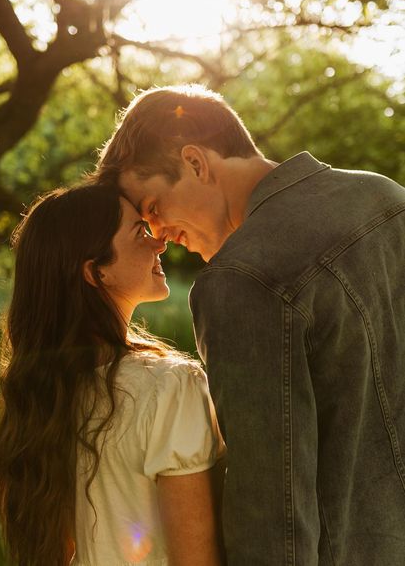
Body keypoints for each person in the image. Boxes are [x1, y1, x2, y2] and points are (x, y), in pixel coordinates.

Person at [95, 84, 405, 565]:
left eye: (153, 208)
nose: (159, 236)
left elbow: (273, 511)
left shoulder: (240, 282)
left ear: (196, 162)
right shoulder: (387, 198)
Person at [0, 182, 226, 566]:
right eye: (139, 232)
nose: (159, 243)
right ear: (96, 272)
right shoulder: (169, 387)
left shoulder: (42, 393)